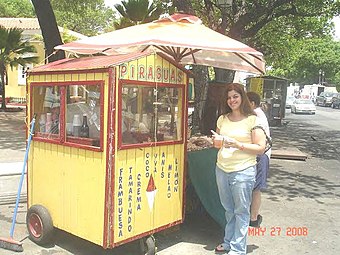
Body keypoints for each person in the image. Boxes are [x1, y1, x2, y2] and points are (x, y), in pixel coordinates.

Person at [212, 83, 266, 255]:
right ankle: (228, 242)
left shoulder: (253, 120)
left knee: (241, 211)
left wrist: (238, 144)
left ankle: (238, 249)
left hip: (243, 171)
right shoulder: (222, 119)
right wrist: (217, 142)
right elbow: (217, 144)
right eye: (228, 97)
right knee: (228, 209)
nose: (231, 100)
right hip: (222, 168)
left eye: (235, 96)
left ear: (242, 97)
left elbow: (260, 148)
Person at [247, 91, 271, 228]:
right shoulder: (256, 113)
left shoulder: (256, 115)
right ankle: (253, 215)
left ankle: (254, 218)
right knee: (253, 187)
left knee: (255, 188)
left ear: (252, 103)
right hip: (259, 155)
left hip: (261, 156)